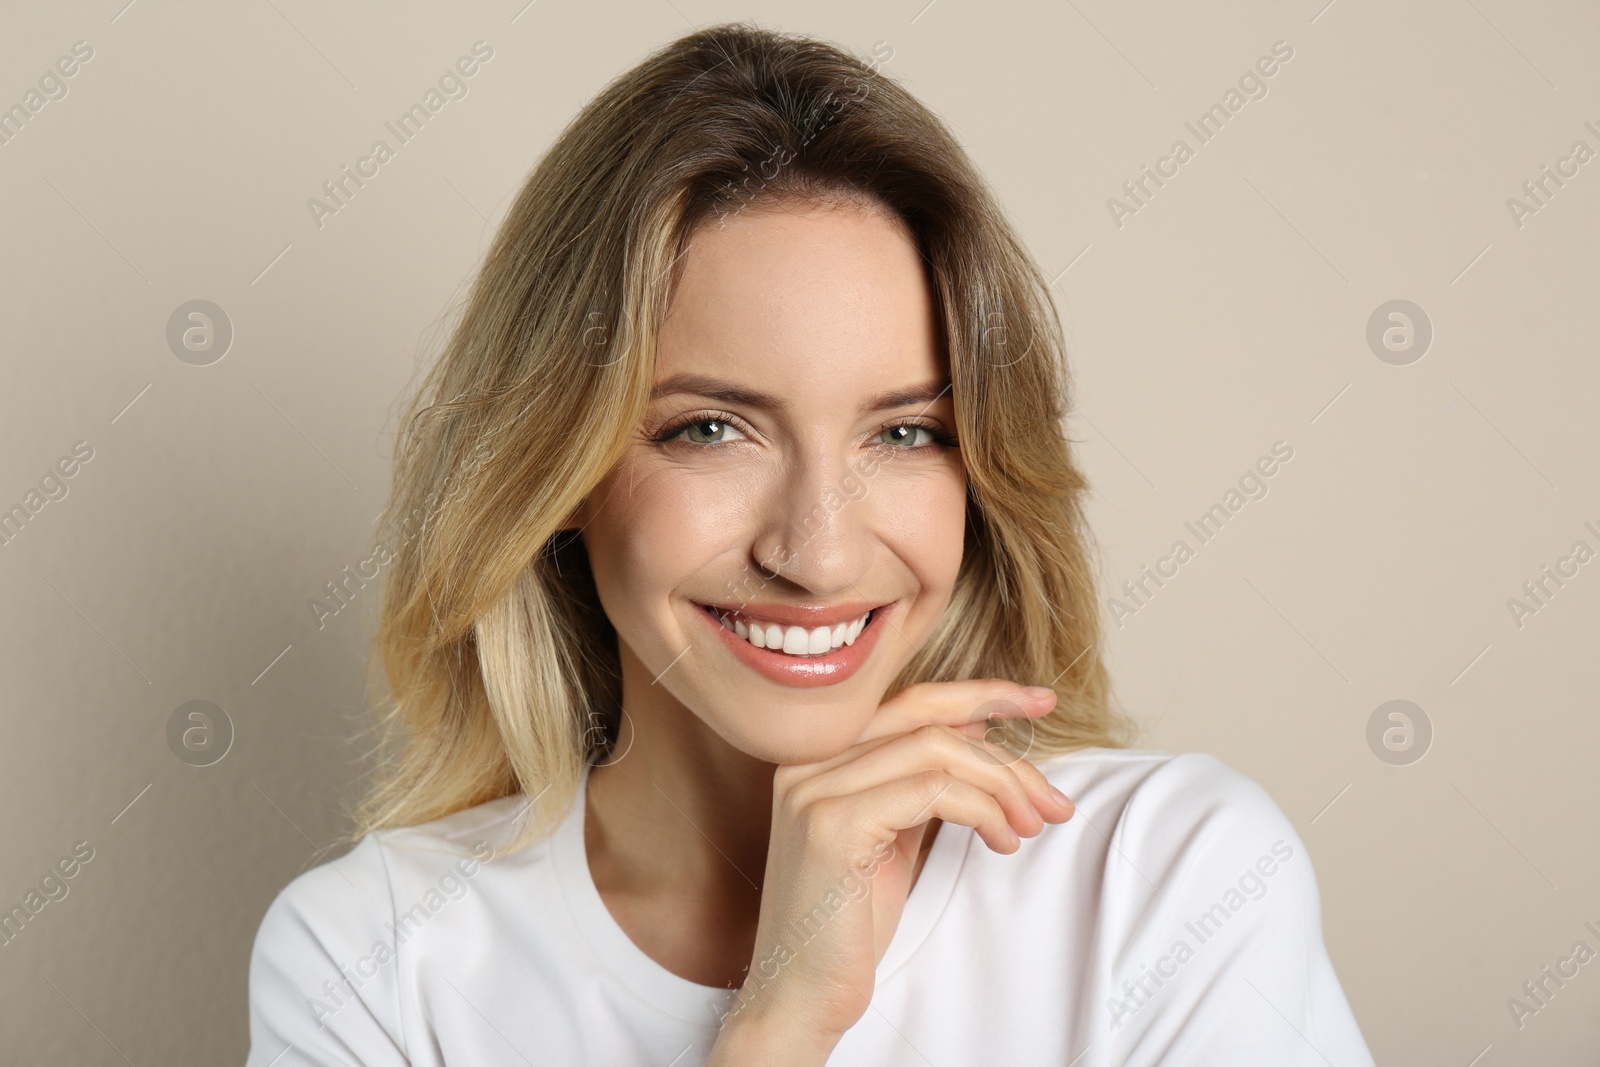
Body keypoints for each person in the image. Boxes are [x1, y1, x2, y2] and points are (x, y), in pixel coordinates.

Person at [244, 22, 1375, 1066]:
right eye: (711, 427)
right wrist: (776, 1026)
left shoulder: (1165, 877)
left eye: (904, 430)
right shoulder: (375, 962)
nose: (819, 552)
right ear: (563, 468)